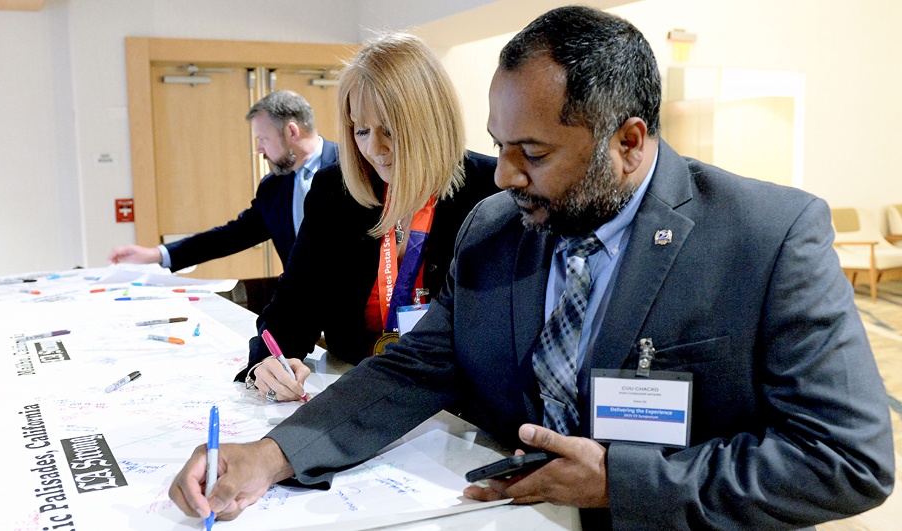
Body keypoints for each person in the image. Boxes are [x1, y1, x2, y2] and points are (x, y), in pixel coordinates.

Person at [170, 7, 894, 530]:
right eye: (499, 145)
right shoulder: (495, 228)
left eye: (535, 153)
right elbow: (414, 368)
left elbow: (848, 459)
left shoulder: (767, 238)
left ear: (630, 141)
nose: (505, 174)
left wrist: (622, 482)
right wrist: (269, 454)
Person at [233, 32, 499, 393]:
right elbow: (293, 306)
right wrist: (266, 362)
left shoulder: (492, 190)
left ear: (432, 120)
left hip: (458, 407)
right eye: (361, 130)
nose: (374, 149)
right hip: (360, 395)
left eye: (390, 130)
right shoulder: (334, 191)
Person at [107, 90, 338, 272]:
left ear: (291, 132)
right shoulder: (273, 188)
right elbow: (231, 236)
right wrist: (157, 255)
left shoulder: (351, 168)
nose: (259, 149)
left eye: (263, 139)